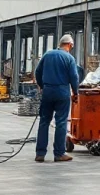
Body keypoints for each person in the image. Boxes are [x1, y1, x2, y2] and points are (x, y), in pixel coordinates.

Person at [34, 34, 80, 163]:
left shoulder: (47, 55)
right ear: (70, 45)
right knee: (61, 122)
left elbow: (38, 72)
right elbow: (74, 77)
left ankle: (40, 154)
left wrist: (43, 86)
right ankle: (59, 154)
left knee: (44, 121)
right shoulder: (69, 58)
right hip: (62, 91)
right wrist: (76, 92)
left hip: (48, 91)